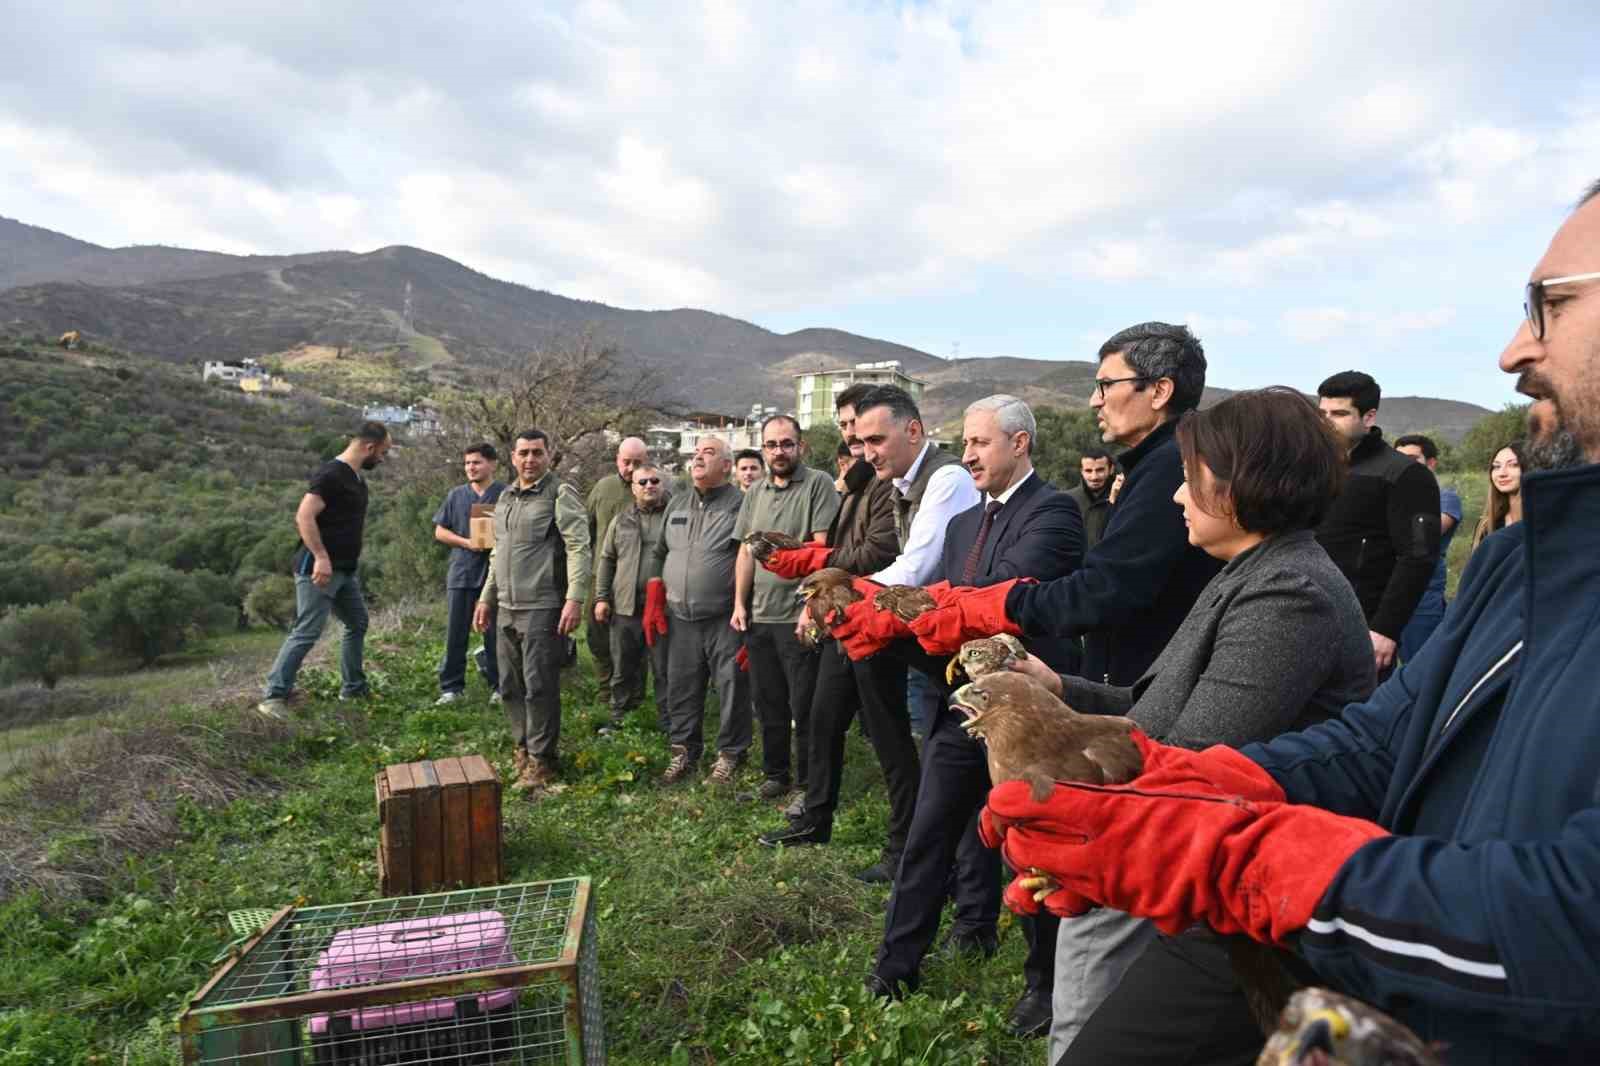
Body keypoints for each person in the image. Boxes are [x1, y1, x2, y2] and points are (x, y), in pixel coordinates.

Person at [988, 176, 1600, 1066]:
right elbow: (1385, 743)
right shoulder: (1531, 562)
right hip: (1393, 949)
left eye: (1547, 306)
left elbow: (1575, 934)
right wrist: (1187, 787)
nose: (1513, 350)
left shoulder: (1297, 586)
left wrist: (1237, 854)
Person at [1004, 388, 1375, 1063]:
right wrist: (1059, 689)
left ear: (1243, 482)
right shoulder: (1250, 571)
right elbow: (1158, 709)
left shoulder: (1290, 593)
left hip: (1243, 894)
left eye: (1189, 478)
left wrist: (1079, 827)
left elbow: (1192, 753)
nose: (1177, 497)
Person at [862, 394, 1085, 1035]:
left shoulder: (1056, 513)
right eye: (964, 443)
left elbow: (1004, 597)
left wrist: (923, 609)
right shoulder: (963, 526)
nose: (966, 455)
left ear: (1019, 444)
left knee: (1029, 847)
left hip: (1027, 716)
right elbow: (942, 600)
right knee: (930, 833)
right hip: (961, 708)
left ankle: (1042, 988)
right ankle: (895, 966)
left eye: (980, 443)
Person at [847, 323, 1221, 691]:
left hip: (1144, 691)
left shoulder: (1168, 467)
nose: (1095, 399)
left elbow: (1106, 589)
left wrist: (988, 604)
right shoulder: (1158, 464)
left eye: (1106, 385)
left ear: (1159, 391)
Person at [755, 383, 914, 884]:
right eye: (846, 427)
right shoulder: (859, 479)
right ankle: (814, 818)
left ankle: (903, 845)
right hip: (843, 621)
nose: (852, 437)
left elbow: (877, 554)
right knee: (821, 721)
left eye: (860, 428)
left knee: (891, 740)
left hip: (874, 623)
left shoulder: (889, 481)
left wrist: (813, 562)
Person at [473, 429, 591, 793]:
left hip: (542, 605)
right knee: (509, 685)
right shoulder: (505, 497)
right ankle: (522, 749)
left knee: (539, 685)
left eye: (536, 453)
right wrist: (485, 598)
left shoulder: (559, 493)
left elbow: (578, 547)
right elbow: (497, 554)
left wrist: (574, 597)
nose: (529, 459)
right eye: (523, 453)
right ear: (512, 457)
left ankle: (543, 761)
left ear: (548, 454)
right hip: (506, 605)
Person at [731, 414, 840, 802]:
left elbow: (822, 552)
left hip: (797, 616)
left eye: (787, 444)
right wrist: (739, 603)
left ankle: (809, 785)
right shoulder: (755, 492)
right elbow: (746, 551)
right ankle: (775, 775)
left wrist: (809, 608)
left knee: (805, 704)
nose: (780, 451)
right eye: (772, 445)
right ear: (763, 449)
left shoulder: (818, 485)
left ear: (801, 446)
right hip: (759, 615)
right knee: (768, 700)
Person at [1313, 372, 1442, 677]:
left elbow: (1418, 557)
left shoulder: (1405, 474)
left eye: (1340, 413)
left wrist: (1385, 629)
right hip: (1308, 615)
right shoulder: (1314, 467)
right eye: (1323, 413)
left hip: (1362, 625)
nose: (1327, 421)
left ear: (1369, 416)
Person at [258, 422, 390, 718]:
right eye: (383, 452)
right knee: (307, 630)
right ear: (369, 447)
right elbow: (304, 516)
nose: (382, 458)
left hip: (344, 571)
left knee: (357, 622)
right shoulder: (331, 474)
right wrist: (321, 557)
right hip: (318, 569)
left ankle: (353, 688)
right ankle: (273, 697)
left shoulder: (355, 478)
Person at [648, 437, 750, 784]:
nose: (698, 458)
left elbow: (748, 559)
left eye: (708, 453)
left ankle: (731, 754)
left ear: (727, 466)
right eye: (696, 453)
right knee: (681, 686)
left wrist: (743, 606)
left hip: (724, 616)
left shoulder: (741, 506)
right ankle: (684, 751)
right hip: (680, 619)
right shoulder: (677, 504)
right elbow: (660, 552)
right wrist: (654, 597)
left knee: (731, 686)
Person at [593, 461, 672, 734]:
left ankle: (669, 723)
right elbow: (607, 560)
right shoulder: (621, 519)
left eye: (654, 481)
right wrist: (602, 598)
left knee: (664, 668)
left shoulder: (676, 516)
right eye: (643, 482)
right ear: (633, 488)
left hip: (665, 608)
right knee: (623, 666)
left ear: (662, 484)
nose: (649, 486)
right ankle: (620, 718)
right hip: (625, 606)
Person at [432, 442, 507, 705]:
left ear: (492, 464)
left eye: (476, 462)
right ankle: (451, 687)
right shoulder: (456, 495)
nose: (471, 468)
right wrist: (467, 543)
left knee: (495, 632)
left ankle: (500, 685)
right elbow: (439, 531)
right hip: (462, 572)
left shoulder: (505, 494)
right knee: (456, 632)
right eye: (467, 463)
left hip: (495, 574)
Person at [585, 437, 649, 705]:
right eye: (627, 462)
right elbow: (587, 528)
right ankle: (605, 690)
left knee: (634, 641)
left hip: (635, 580)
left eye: (638, 463)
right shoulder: (604, 488)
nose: (632, 468)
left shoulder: (654, 488)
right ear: (617, 460)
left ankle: (634, 696)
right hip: (601, 574)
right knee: (597, 636)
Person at [1392, 434, 1463, 662]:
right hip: (1388, 593)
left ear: (1431, 463)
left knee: (1422, 666)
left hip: (1423, 596)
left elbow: (1422, 535)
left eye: (1413, 459)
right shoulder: (1391, 496)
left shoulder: (1446, 498)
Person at [1468, 441, 1527, 552]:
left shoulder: (1543, 521)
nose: (1502, 473)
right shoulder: (1486, 525)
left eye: (1513, 465)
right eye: (1496, 466)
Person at [1065, 447, 1116, 550]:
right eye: (1088, 471)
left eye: (1100, 470)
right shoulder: (1067, 500)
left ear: (1111, 469)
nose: (1094, 477)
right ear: (1081, 471)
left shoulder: (1124, 497)